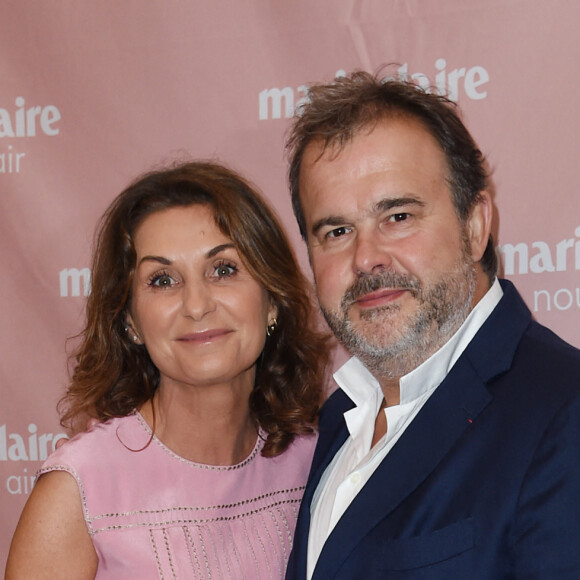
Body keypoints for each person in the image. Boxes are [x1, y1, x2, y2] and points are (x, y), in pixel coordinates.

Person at [283, 70, 580, 579]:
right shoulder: (337, 420)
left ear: (475, 224)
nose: (366, 258)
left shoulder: (564, 411)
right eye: (336, 230)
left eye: (398, 216)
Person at [5, 161, 329, 579]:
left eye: (224, 269)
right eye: (162, 280)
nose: (197, 305)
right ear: (130, 322)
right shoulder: (79, 493)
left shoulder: (316, 463)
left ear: (272, 300)